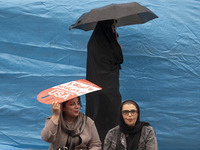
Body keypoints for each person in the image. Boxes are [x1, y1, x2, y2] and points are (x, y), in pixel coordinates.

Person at [86, 19, 123, 143]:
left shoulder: (93, 42)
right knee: (111, 123)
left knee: (96, 120)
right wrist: (117, 45)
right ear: (106, 27)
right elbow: (119, 58)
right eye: (112, 26)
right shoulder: (109, 44)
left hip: (93, 89)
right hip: (109, 91)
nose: (114, 29)